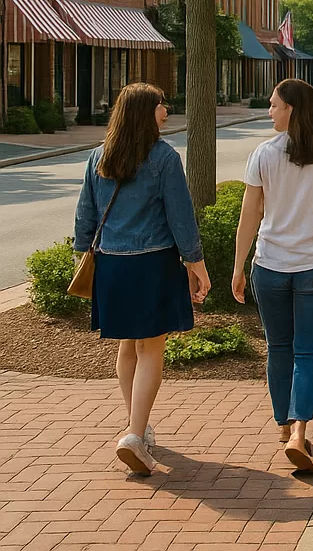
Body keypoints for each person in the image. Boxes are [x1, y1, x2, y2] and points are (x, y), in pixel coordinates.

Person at [74, 83, 211, 476]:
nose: (166, 110)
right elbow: (181, 216)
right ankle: (134, 435)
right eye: (160, 105)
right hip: (153, 264)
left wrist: (81, 255)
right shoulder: (164, 157)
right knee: (151, 350)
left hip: (112, 267)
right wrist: (196, 263)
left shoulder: (99, 156)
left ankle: (139, 427)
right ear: (144, 112)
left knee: (128, 349)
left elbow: (85, 215)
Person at [232, 78, 313, 473]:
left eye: (274, 105)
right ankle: (299, 431)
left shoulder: (263, 155)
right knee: (307, 352)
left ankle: (284, 424)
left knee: (278, 347)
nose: (269, 111)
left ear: (291, 108)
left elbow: (249, 216)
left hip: (269, 265)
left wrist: (238, 267)